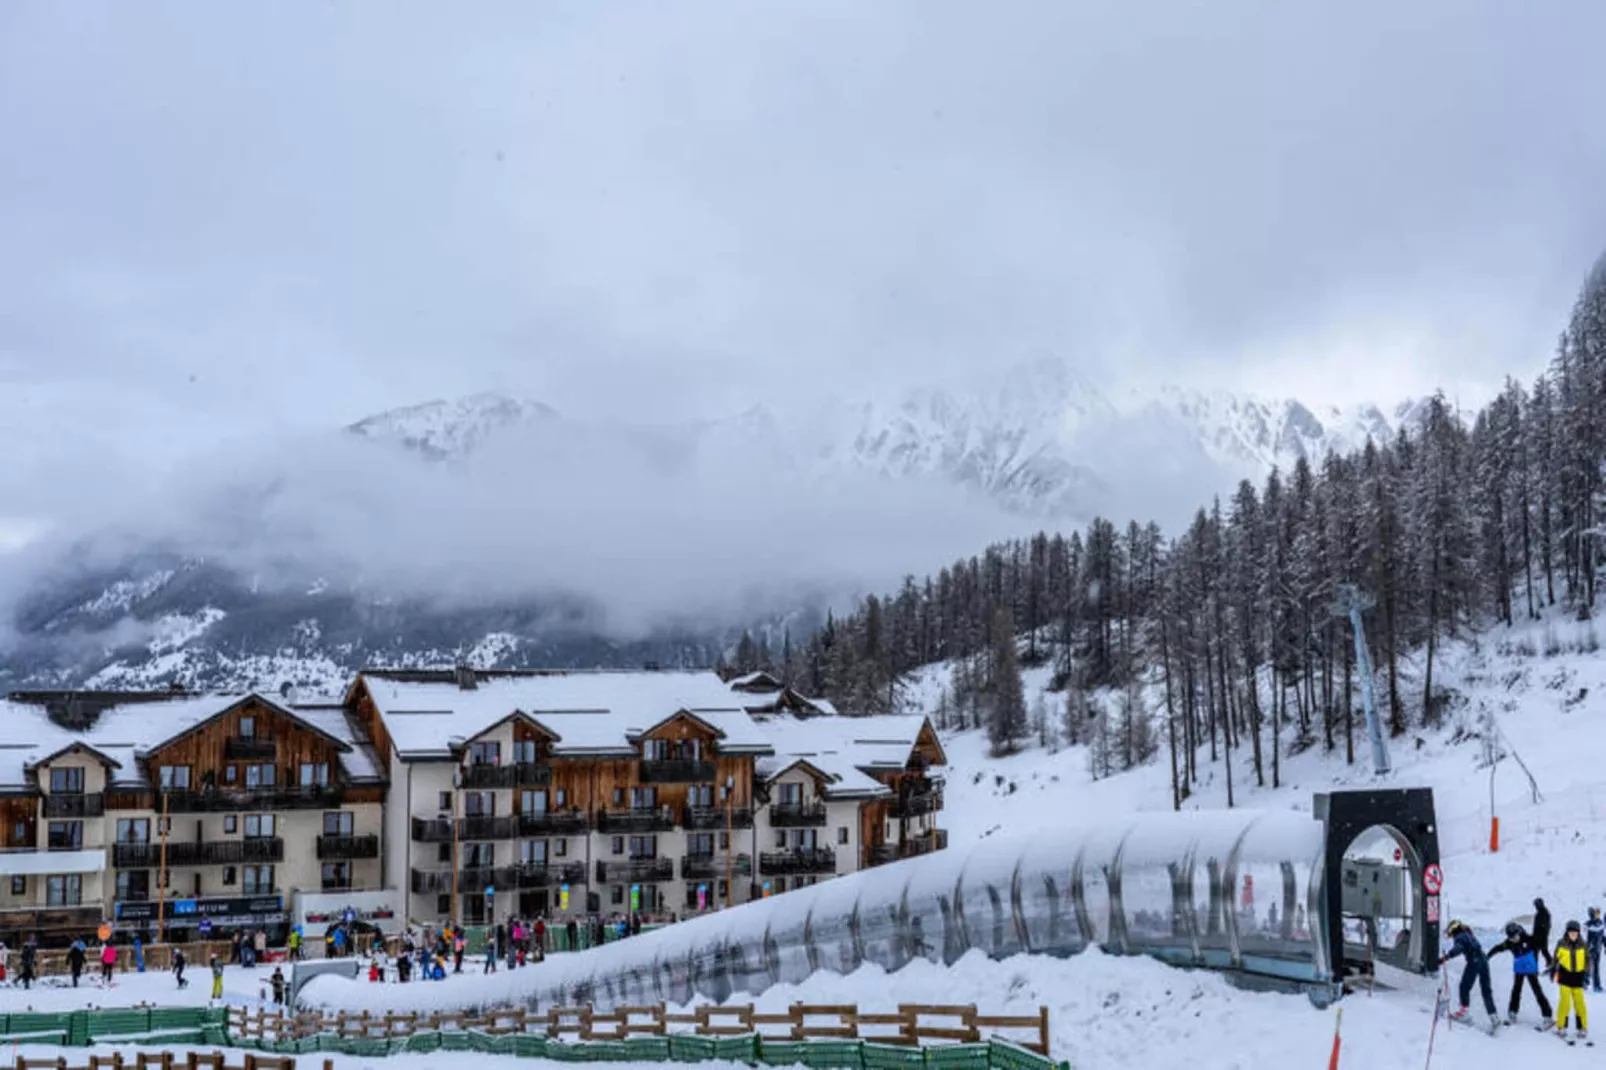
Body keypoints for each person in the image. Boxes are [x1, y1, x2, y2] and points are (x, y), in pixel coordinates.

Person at [1487, 922, 1553, 1026]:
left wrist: (1549, 959)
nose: (1513, 940)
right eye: (1511, 938)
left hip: (1530, 969)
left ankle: (1547, 1015)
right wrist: (1487, 956)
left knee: (1537, 991)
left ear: (1519, 933)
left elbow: (1542, 946)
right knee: (1516, 990)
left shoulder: (1529, 939)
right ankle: (1512, 1013)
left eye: (1515, 937)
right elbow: (1498, 948)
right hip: (1519, 969)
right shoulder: (1509, 942)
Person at [1440, 919, 1500, 1029]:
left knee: (1464, 987)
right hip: (1483, 959)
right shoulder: (1468, 933)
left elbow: (1458, 948)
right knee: (1486, 989)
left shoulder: (1459, 936)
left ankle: (1464, 1013)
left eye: (1449, 932)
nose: (1450, 935)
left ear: (1453, 929)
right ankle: (1494, 1017)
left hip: (1474, 960)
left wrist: (1446, 957)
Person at [1549, 919, 1590, 1042]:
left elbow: (1588, 959)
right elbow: (1555, 958)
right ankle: (1561, 1027)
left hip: (1578, 977)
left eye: (1575, 933)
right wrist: (1552, 970)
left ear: (1578, 933)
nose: (1573, 935)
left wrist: (1587, 975)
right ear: (1567, 932)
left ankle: (1582, 1027)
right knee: (1565, 1003)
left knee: (1579, 1003)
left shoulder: (1583, 944)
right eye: (1571, 932)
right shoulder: (1561, 943)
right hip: (1565, 976)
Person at [1587, 907, 1603, 993]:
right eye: (1596, 913)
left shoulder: (1600, 923)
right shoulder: (1588, 925)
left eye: (1598, 913)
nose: (1597, 915)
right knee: (1588, 967)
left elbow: (1602, 936)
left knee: (1596, 968)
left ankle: (1597, 986)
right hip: (1590, 950)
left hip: (1598, 949)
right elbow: (1585, 938)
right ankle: (1584, 982)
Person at [1534, 898, 1553, 968]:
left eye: (1536, 905)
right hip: (1540, 936)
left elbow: (1546, 926)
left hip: (1541, 936)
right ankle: (1550, 963)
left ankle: (1533, 967)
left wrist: (1542, 935)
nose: (1535, 907)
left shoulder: (1544, 913)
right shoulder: (1541, 912)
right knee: (1543, 951)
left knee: (1536, 951)